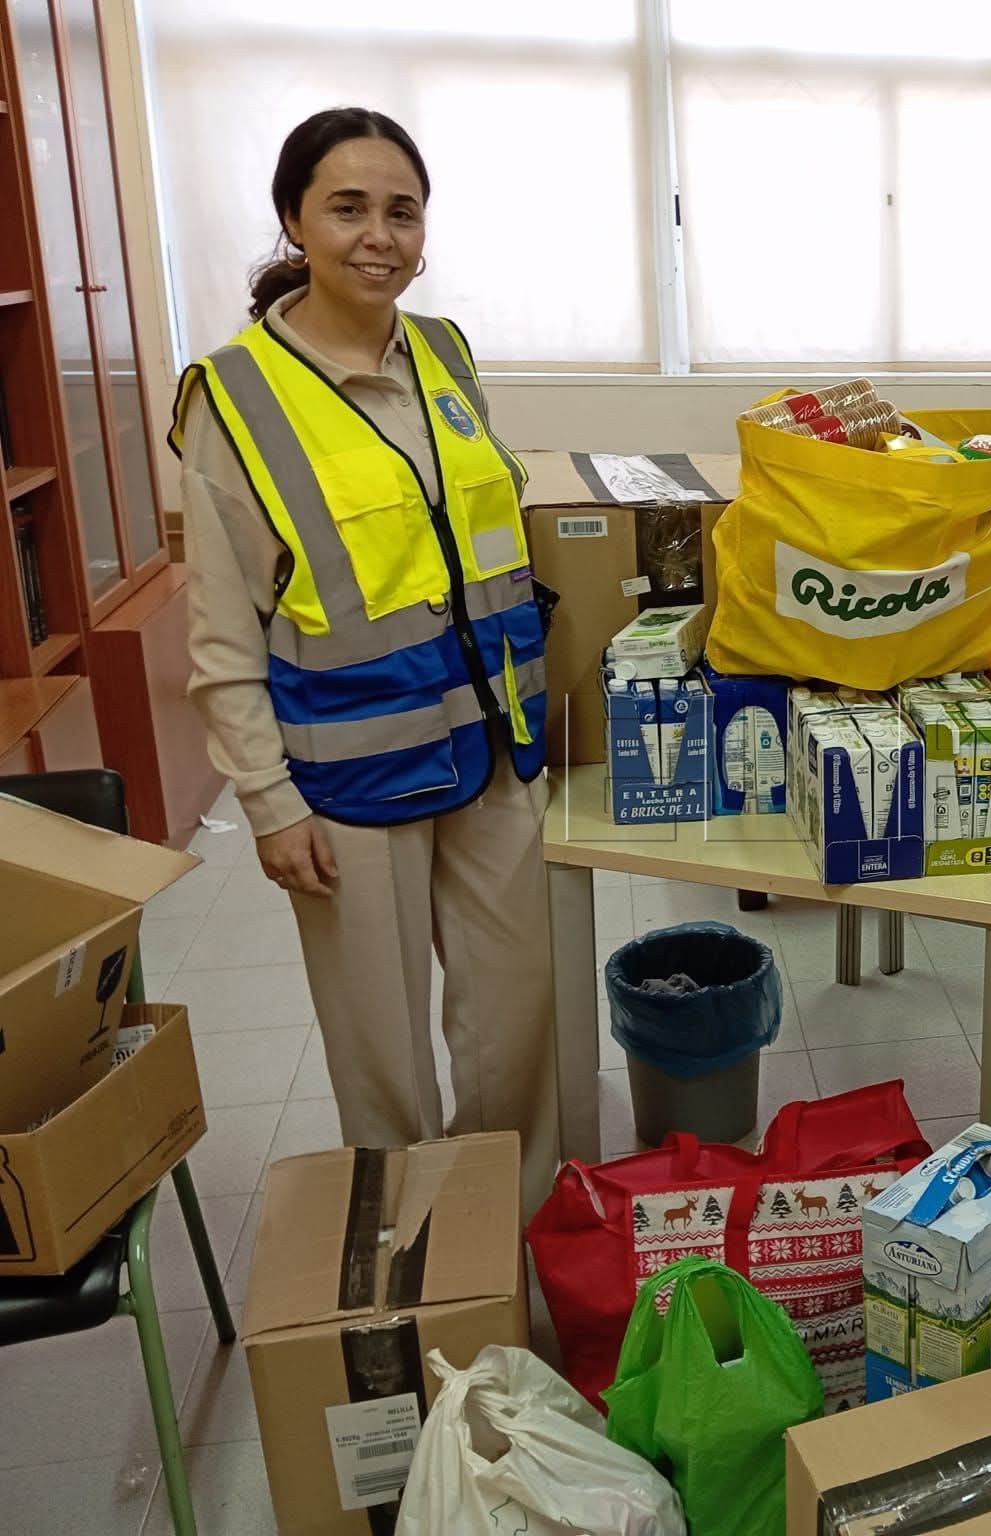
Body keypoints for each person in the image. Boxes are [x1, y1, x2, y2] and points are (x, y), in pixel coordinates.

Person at [174, 108, 560, 1216]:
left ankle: (516, 1251)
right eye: (347, 208)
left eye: (402, 210)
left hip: (491, 752)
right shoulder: (233, 398)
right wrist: (266, 800)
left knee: (516, 1030)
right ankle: (420, 1264)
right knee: (383, 1060)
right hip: (347, 782)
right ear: (294, 220)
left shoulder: (443, 353)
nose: (378, 235)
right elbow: (221, 635)